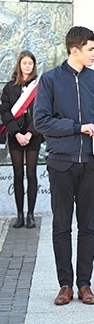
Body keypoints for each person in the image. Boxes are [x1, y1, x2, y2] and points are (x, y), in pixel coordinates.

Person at [34, 26, 94, 305]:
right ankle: (65, 285)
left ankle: (85, 285)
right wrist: (78, 127)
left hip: (91, 166)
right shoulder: (49, 80)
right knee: (61, 227)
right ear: (75, 50)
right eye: (91, 48)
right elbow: (41, 121)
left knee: (88, 227)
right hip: (61, 164)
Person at [0, 50, 43, 229]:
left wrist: (30, 133)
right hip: (15, 135)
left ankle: (31, 215)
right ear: (19, 65)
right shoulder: (9, 87)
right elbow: (5, 111)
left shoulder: (40, 87)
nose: (27, 66)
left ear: (33, 65)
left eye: (30, 63)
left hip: (32, 136)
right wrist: (17, 133)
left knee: (32, 174)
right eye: (24, 63)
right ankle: (19, 215)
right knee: (18, 175)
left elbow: (42, 111)